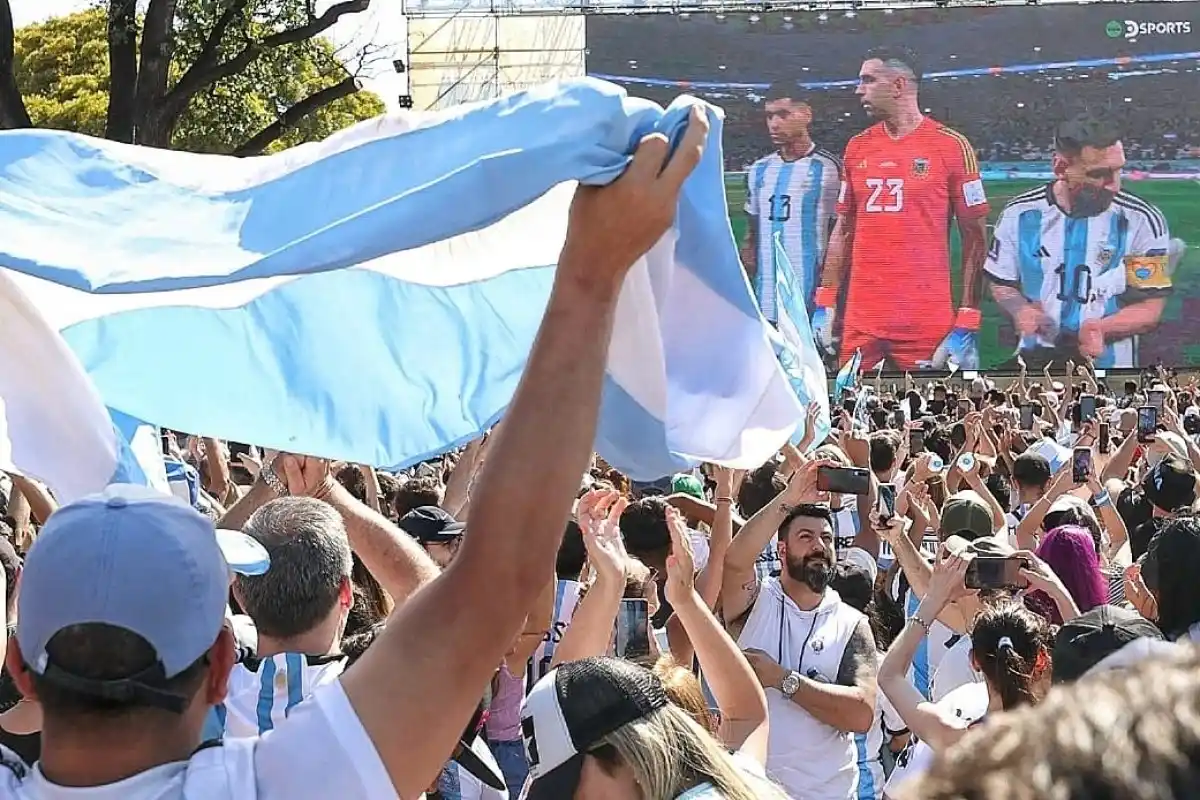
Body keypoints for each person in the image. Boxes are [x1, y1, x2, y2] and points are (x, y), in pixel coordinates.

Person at [0, 108, 711, 799]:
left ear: (18, 666)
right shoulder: (281, 783)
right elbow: (487, 589)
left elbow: (489, 588)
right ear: (222, 665)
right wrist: (592, 271)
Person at [813, 45, 990, 371]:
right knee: (849, 415)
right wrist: (825, 300)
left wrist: (968, 317)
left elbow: (975, 237)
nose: (858, 90)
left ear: (898, 86)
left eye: (868, 80)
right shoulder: (857, 147)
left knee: (930, 415)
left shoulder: (951, 146)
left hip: (924, 322)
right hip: (861, 320)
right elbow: (844, 226)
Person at [722, 466, 878, 800]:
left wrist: (782, 679)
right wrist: (790, 498)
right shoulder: (755, 600)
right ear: (781, 550)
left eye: (826, 538)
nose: (819, 546)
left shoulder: (851, 622)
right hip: (752, 790)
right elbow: (734, 561)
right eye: (806, 537)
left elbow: (861, 713)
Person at [985, 114, 1179, 369]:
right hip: (1034, 362)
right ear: (1061, 168)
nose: (1114, 185)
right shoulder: (1019, 214)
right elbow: (1002, 284)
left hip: (1108, 367)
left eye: (1118, 170)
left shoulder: (1140, 219)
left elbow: (1150, 305)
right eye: (1099, 174)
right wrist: (1020, 310)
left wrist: (1101, 329)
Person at [520, 657, 789, 800]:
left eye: (568, 791)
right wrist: (686, 600)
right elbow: (750, 713)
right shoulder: (739, 776)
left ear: (627, 754)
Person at [740, 83, 841, 324]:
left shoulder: (828, 168)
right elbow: (752, 231)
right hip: (765, 296)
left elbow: (842, 233)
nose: (774, 123)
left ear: (806, 114)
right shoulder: (759, 169)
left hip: (810, 298)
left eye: (783, 115)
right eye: (769, 116)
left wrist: (831, 295)